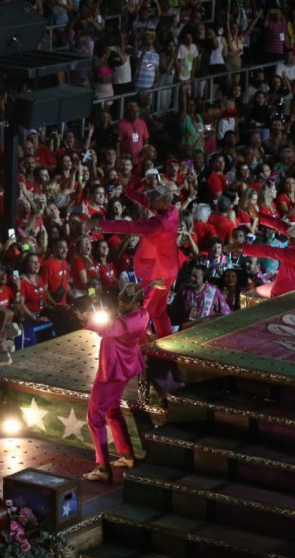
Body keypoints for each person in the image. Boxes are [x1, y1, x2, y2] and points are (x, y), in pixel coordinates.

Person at [81, 282, 155, 482]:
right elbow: (145, 299)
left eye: (127, 302)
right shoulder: (143, 314)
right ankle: (127, 455)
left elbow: (105, 328)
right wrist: (151, 287)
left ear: (136, 303)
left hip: (112, 372)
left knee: (94, 418)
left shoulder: (124, 324)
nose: (121, 304)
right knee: (112, 410)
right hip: (126, 368)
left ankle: (102, 467)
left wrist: (86, 319)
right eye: (121, 299)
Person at [94, 184, 182, 337]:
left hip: (158, 273)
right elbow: (146, 201)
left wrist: (101, 225)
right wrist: (127, 190)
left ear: (162, 202)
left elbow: (129, 226)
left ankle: (136, 346)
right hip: (169, 269)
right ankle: (166, 340)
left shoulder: (158, 224)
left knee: (140, 309)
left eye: (154, 200)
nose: (150, 202)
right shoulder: (172, 210)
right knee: (160, 311)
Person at [241, 216, 295, 297]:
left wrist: (242, 247)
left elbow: (269, 251)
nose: (289, 239)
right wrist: (259, 215)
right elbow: (281, 225)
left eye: (293, 238)